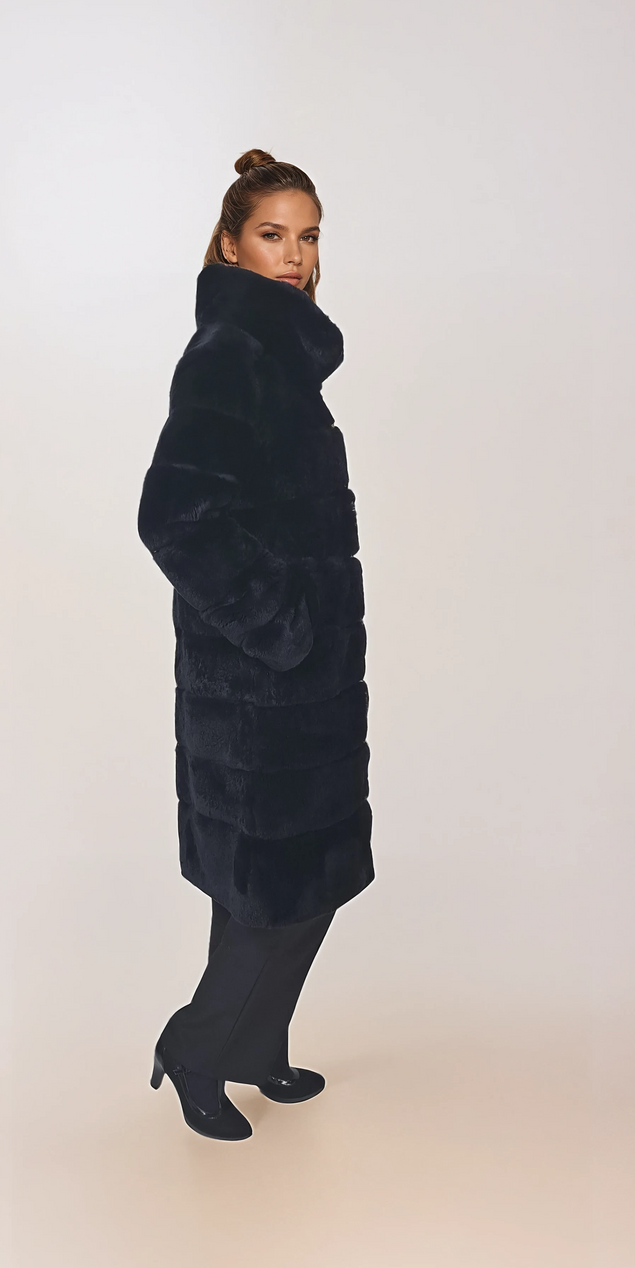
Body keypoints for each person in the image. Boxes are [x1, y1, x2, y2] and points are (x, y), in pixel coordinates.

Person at [137, 149, 374, 1141]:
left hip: (303, 683)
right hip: (257, 686)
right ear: (231, 245)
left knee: (289, 884)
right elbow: (173, 516)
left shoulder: (281, 355)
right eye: (272, 235)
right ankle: (196, 1049)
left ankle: (257, 1043)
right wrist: (282, 626)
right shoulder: (230, 352)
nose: (294, 255)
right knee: (274, 889)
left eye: (307, 236)